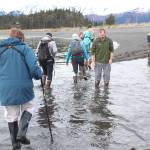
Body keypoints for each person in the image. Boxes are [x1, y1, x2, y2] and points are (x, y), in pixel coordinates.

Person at [0, 28, 42, 150]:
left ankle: (16, 145)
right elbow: (34, 68)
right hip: (24, 87)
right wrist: (39, 75)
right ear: (21, 38)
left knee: (11, 116)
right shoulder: (25, 48)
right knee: (29, 107)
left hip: (5, 88)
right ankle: (22, 134)